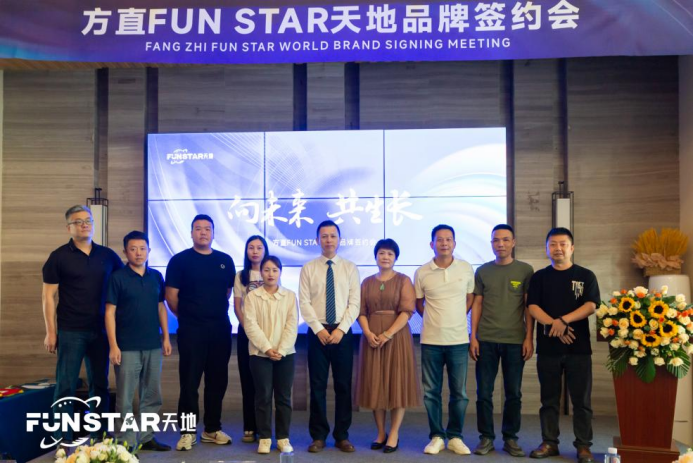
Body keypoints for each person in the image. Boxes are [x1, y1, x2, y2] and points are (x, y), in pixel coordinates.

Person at [42, 205, 123, 442]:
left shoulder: (108, 256)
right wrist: (51, 332)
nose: (84, 225)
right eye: (78, 221)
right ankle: (62, 440)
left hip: (101, 330)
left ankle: (100, 437)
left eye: (88, 220)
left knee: (99, 385)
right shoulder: (58, 257)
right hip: (70, 330)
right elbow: (48, 296)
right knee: (65, 387)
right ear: (68, 227)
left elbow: (122, 287)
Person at [527, 227, 599, 463]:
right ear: (547, 248)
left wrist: (563, 321)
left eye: (563, 244)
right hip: (548, 348)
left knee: (581, 401)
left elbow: (591, 305)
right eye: (553, 244)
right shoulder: (539, 277)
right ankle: (549, 442)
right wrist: (554, 326)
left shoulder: (585, 275)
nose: (558, 248)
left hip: (579, 349)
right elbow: (532, 307)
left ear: (572, 247)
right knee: (548, 400)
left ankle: (583, 446)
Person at [165, 214, 236, 451]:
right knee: (189, 382)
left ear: (213, 233)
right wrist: (189, 316)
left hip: (220, 329)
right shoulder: (179, 261)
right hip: (191, 330)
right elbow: (171, 297)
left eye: (207, 229)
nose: (203, 232)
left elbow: (227, 292)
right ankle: (187, 432)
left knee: (217, 381)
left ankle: (212, 429)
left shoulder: (225, 260)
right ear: (191, 233)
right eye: (198, 228)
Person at [470, 224, 534, 457]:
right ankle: (486, 437)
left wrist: (529, 337)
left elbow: (528, 307)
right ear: (491, 244)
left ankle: (510, 438)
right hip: (486, 339)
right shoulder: (483, 271)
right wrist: (473, 336)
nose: (501, 244)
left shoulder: (525, 270)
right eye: (496, 240)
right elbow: (477, 304)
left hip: (515, 340)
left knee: (513, 393)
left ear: (513, 242)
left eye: (506, 240)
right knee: (483, 393)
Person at [105, 231, 172, 451]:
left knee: (152, 395)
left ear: (149, 251)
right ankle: (125, 441)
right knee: (125, 398)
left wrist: (166, 337)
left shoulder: (156, 277)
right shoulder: (117, 278)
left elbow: (161, 307)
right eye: (133, 249)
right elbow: (109, 313)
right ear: (125, 252)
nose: (138, 253)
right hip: (126, 347)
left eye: (143, 249)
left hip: (153, 345)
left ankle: (146, 437)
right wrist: (113, 345)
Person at [299, 220, 360, 453]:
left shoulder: (350, 268)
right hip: (318, 332)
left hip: (342, 333)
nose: (328, 240)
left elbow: (354, 303)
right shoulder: (308, 268)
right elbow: (304, 302)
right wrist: (319, 329)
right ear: (317, 240)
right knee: (317, 386)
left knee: (343, 386)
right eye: (324, 236)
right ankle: (318, 436)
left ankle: (342, 436)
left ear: (339, 239)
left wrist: (341, 330)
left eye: (333, 236)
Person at [414, 224, 475, 455]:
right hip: (431, 340)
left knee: (459, 393)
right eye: (439, 239)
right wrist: (433, 319)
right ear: (432, 244)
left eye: (448, 239)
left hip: (458, 340)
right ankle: (437, 436)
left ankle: (456, 437)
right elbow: (419, 304)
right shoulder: (422, 272)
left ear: (454, 243)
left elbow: (470, 298)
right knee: (431, 392)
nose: (444, 243)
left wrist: (457, 316)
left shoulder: (465, 268)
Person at [356, 239, 420, 454]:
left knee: (397, 384)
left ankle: (394, 433)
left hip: (397, 337)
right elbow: (361, 311)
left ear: (396, 258)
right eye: (382, 253)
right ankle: (381, 432)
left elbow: (407, 311)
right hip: (371, 337)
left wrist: (387, 334)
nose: (385, 257)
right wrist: (368, 333)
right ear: (376, 256)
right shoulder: (366, 282)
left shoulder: (403, 280)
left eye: (390, 254)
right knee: (375, 383)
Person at [243, 256, 298, 455]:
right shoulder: (252, 297)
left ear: (280, 272)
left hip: (286, 355)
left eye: (275, 270)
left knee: (283, 397)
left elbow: (292, 325)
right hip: (259, 355)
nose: (271, 274)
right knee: (263, 396)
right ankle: (265, 438)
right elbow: (250, 325)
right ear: (261, 273)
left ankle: (283, 438)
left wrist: (281, 350)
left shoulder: (290, 296)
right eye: (266, 270)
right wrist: (267, 348)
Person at [233, 235, 269, 444]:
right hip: (246, 333)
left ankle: (264, 428)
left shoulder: (270, 271)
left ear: (265, 251)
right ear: (246, 251)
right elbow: (238, 306)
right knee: (247, 380)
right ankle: (249, 427)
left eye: (259, 248)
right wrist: (248, 328)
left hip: (268, 333)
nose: (255, 251)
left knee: (264, 383)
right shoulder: (241, 275)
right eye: (251, 248)